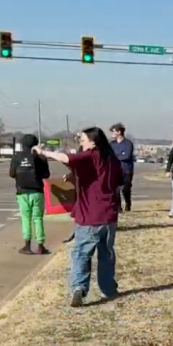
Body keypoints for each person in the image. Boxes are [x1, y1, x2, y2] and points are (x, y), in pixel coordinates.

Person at [34, 128, 123, 306]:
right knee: (106, 254)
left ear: (93, 141)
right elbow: (114, 182)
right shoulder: (111, 159)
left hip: (90, 215)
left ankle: (79, 288)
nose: (81, 142)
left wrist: (42, 151)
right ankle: (108, 288)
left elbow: (65, 158)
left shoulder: (90, 155)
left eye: (82, 140)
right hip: (109, 215)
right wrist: (75, 177)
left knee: (82, 253)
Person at [9, 133, 51, 255]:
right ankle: (40, 245)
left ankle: (27, 246)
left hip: (22, 192)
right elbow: (46, 175)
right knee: (38, 218)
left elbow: (12, 174)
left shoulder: (16, 157)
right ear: (35, 144)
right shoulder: (41, 158)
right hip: (37, 191)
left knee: (26, 218)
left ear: (22, 145)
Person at [108, 123, 135, 213]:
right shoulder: (112, 144)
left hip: (126, 169)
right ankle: (118, 207)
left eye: (113, 132)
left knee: (125, 189)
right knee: (116, 189)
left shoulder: (128, 143)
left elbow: (126, 156)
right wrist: (118, 155)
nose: (112, 134)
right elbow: (109, 155)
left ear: (119, 132)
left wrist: (115, 156)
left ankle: (128, 203)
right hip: (115, 169)